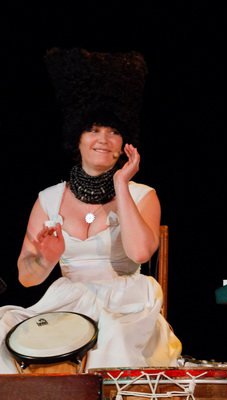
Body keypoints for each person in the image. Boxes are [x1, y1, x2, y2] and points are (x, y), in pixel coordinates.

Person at [0, 48, 182, 372]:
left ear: (125, 143)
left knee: (111, 339)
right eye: (94, 129)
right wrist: (46, 259)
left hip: (124, 306)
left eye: (114, 131)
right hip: (67, 303)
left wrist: (121, 184)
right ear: (78, 137)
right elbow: (27, 278)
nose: (104, 140)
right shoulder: (48, 199)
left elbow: (140, 253)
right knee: (3, 331)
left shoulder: (142, 195)